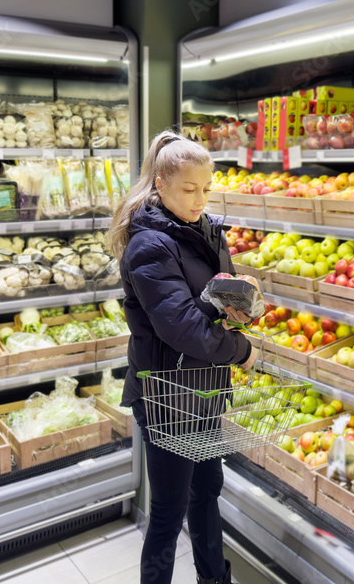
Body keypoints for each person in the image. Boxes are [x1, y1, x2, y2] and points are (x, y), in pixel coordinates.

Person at [108, 130, 258, 584]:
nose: (200, 199)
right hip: (166, 397)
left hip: (204, 389)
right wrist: (242, 350)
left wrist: (243, 299)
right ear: (160, 184)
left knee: (207, 491)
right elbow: (184, 328)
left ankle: (215, 579)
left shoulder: (204, 230)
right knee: (169, 512)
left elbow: (212, 302)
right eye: (189, 189)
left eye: (207, 188)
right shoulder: (149, 244)